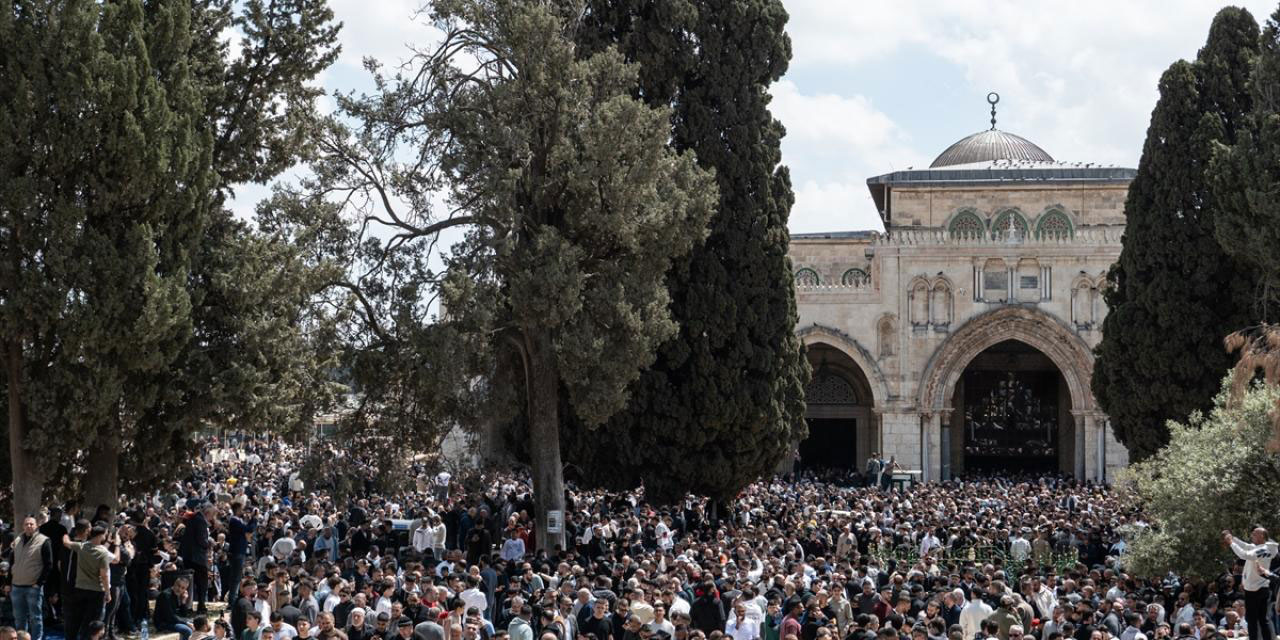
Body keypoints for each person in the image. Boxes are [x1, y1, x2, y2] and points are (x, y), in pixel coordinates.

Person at [1224, 529, 1279, 640]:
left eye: (1254, 534)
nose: (1251, 535)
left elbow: (1244, 554)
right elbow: (1246, 546)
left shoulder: (1263, 549)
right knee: (1263, 619)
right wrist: (1233, 538)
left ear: (1262, 536)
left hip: (1255, 589)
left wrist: (1231, 543)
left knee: (1252, 620)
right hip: (1261, 587)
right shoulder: (1264, 548)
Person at [62, 522, 113, 640]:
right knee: (93, 623)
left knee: (77, 619)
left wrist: (66, 533)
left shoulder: (81, 546)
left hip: (80, 588)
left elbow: (66, 542)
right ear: (101, 535)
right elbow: (104, 575)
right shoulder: (103, 552)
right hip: (96, 591)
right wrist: (107, 592)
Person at [11, 516, 52, 640]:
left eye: (31, 524)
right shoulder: (17, 540)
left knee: (36, 618)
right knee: (19, 618)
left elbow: (48, 564)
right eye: (26, 524)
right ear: (23, 526)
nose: (29, 526)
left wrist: (39, 583)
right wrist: (8, 582)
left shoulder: (44, 541)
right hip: (16, 586)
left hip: (33, 587)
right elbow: (12, 562)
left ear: (36, 526)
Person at [180, 504, 215, 614]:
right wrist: (209, 544)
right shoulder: (200, 521)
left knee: (189, 583)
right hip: (197, 557)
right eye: (212, 515)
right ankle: (201, 605)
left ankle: (186, 606)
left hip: (188, 555)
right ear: (208, 513)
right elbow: (201, 540)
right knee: (202, 583)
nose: (212, 518)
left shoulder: (193, 518)